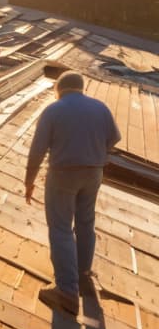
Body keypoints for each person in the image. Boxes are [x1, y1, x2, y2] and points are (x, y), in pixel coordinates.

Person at [24, 71, 121, 315]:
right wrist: (96, 153)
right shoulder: (100, 107)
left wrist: (29, 181)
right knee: (86, 223)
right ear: (81, 88)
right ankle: (82, 275)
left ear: (59, 90)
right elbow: (114, 138)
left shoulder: (53, 111)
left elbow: (37, 151)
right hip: (94, 172)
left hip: (63, 173)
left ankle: (66, 291)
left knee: (61, 228)